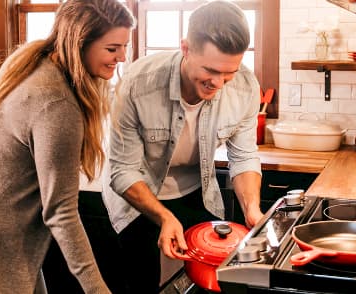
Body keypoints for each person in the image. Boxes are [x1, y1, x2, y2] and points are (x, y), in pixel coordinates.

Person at [0, 1, 134, 293]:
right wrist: (97, 289)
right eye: (112, 49)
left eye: (124, 47)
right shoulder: (56, 102)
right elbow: (61, 212)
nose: (121, 57)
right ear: (79, 42)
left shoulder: (40, 64)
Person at [102, 1, 264, 292]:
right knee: (141, 281)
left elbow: (244, 157)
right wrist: (164, 217)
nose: (219, 83)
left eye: (229, 72)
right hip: (137, 194)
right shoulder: (138, 83)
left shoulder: (245, 87)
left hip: (197, 192)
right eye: (211, 70)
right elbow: (123, 170)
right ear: (186, 48)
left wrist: (252, 209)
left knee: (212, 280)